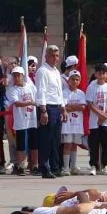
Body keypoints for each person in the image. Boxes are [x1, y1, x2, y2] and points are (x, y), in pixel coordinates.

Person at [35, 45, 66, 179]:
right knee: (46, 139)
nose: (55, 58)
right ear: (46, 56)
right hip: (47, 107)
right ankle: (45, 168)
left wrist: (63, 107)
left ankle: (55, 167)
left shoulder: (56, 72)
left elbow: (59, 91)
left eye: (57, 56)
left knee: (55, 139)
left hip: (57, 107)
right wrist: (43, 110)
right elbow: (41, 91)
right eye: (52, 55)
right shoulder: (42, 71)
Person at [86, 63, 107, 176]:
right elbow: (89, 103)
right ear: (95, 74)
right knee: (94, 144)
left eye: (103, 73)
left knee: (105, 144)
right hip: (94, 121)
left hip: (106, 120)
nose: (101, 75)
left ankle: (105, 165)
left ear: (106, 75)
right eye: (99, 73)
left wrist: (104, 116)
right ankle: (94, 165)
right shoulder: (91, 86)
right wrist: (99, 114)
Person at [6, 66, 38, 175]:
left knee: (34, 145)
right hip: (20, 122)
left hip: (32, 120)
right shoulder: (12, 90)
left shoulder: (31, 87)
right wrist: (30, 102)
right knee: (21, 146)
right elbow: (17, 103)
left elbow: (37, 98)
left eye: (18, 75)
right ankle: (20, 166)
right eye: (14, 75)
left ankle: (34, 166)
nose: (16, 77)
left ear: (23, 76)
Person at [61, 70, 86, 176]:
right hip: (67, 123)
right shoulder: (64, 92)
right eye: (72, 79)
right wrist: (76, 107)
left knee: (75, 145)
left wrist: (71, 107)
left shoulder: (81, 93)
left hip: (77, 124)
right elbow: (63, 107)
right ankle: (66, 167)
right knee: (67, 144)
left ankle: (73, 167)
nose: (75, 81)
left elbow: (83, 107)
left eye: (77, 79)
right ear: (69, 80)